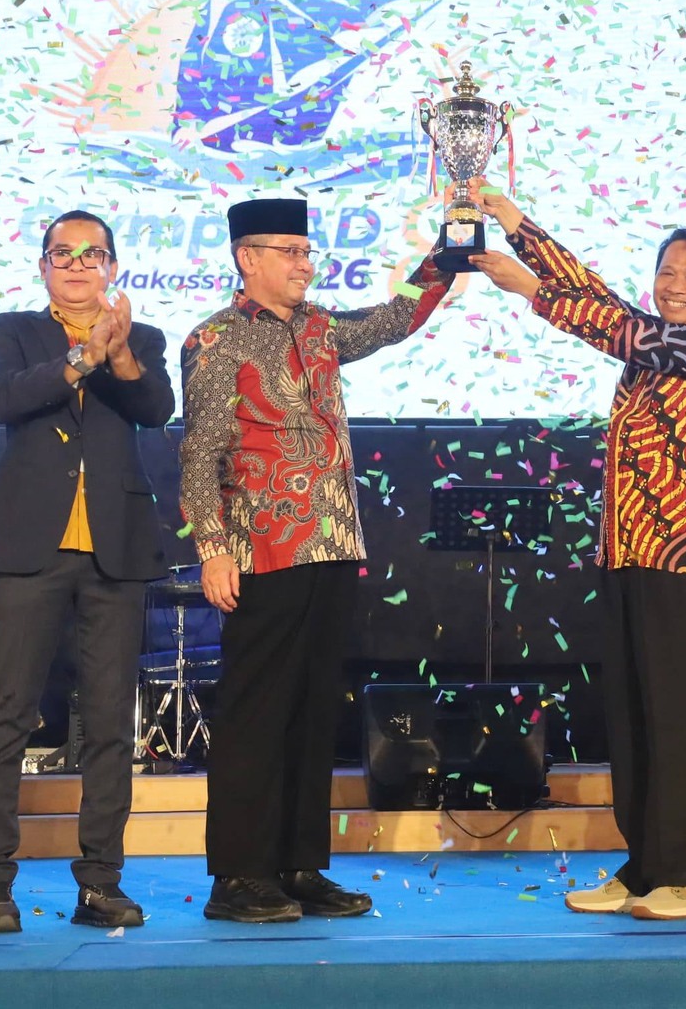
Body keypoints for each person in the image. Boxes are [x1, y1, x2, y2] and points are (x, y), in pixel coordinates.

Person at [464, 178, 686, 921]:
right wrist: (514, 220)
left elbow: (616, 329)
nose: (676, 285)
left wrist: (531, 291)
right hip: (629, 555)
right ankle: (647, 863)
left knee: (683, 719)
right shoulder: (652, 341)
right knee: (636, 718)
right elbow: (595, 296)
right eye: (667, 272)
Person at [180, 196, 452, 924]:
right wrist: (212, 546)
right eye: (290, 252)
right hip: (262, 547)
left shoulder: (321, 329)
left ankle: (298, 865)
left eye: (307, 252)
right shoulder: (217, 339)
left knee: (311, 709)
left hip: (331, 542)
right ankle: (239, 874)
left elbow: (395, 319)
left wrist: (447, 255)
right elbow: (200, 451)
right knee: (257, 712)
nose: (305, 265)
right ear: (248, 257)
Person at [0, 211, 175, 934]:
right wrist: (83, 357)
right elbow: (4, 397)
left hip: (115, 548)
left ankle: (101, 883)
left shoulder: (142, 338)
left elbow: (155, 407)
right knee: (8, 712)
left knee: (110, 722)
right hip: (31, 545)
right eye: (64, 253)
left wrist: (117, 353)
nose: (78, 264)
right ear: (43, 265)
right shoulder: (13, 329)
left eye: (93, 254)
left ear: (112, 266)